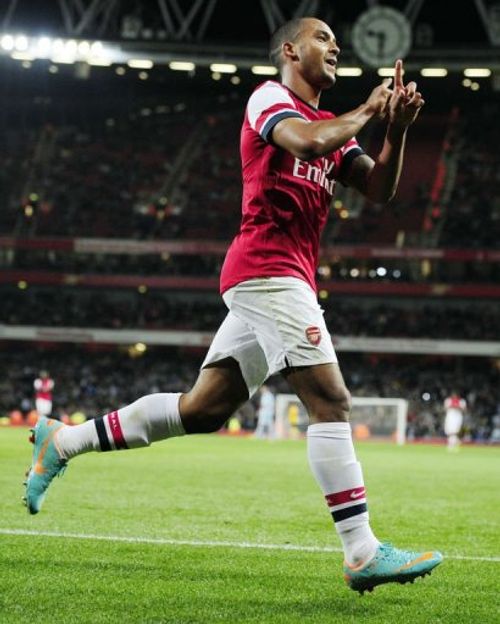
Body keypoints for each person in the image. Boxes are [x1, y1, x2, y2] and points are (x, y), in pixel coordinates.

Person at [24, 17, 442, 594]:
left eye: (335, 41)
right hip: (266, 270)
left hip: (278, 277)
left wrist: (394, 130)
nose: (335, 46)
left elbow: (380, 189)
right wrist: (370, 111)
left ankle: (62, 440)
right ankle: (361, 551)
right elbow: (304, 142)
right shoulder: (270, 99)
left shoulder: (332, 127)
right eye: (323, 38)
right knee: (331, 401)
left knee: (202, 411)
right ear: (291, 50)